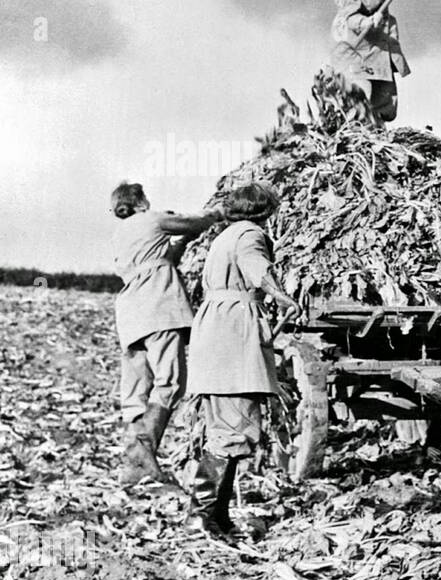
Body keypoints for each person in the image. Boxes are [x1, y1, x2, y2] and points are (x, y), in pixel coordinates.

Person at [184, 183, 300, 539]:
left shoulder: (224, 235)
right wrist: (282, 297)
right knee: (233, 428)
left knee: (226, 427)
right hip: (234, 330)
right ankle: (202, 517)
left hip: (216, 326)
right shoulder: (251, 234)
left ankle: (215, 517)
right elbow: (258, 271)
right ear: (263, 211)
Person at [109, 182, 223, 486]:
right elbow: (195, 222)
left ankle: (133, 465)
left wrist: (182, 243)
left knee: (135, 389)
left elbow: (161, 259)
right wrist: (218, 212)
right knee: (171, 382)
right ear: (141, 201)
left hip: (130, 314)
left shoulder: (120, 234)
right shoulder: (153, 219)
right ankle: (144, 453)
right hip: (159, 307)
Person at [329, 0, 434, 124]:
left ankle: (375, 136)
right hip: (355, 43)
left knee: (383, 102)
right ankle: (351, 133)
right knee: (360, 94)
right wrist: (367, 21)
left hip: (379, 45)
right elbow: (348, 17)